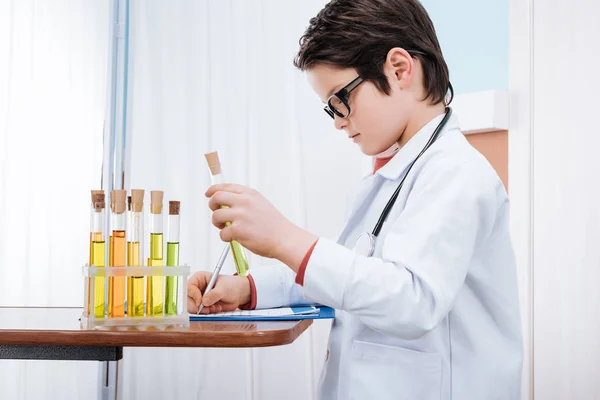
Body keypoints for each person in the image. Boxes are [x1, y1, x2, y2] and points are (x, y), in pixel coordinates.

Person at [187, 0, 523, 398]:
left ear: (399, 69)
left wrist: (284, 238)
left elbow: (412, 300)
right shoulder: (394, 175)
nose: (339, 120)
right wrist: (248, 288)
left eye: (340, 99)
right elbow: (344, 276)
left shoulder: (456, 172)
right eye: (329, 109)